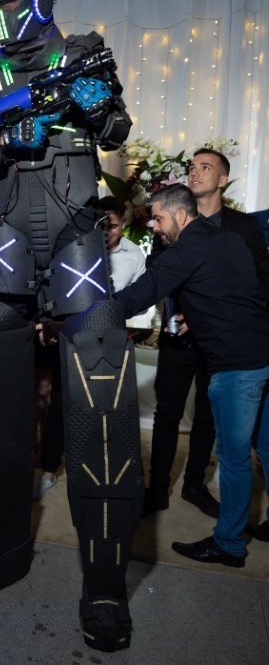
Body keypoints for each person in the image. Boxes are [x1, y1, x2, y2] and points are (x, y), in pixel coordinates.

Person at [0, 0, 143, 653]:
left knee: (100, 376)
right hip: (4, 237)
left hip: (74, 236)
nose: (1, 18)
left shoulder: (83, 52)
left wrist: (90, 104)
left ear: (39, 0)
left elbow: (116, 131)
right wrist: (9, 136)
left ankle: (104, 585)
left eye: (10, 3)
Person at [116, 183, 269, 567]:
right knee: (266, 448)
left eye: (158, 218)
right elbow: (234, 294)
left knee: (233, 459)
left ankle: (229, 544)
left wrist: (80, 314)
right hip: (263, 352)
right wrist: (197, 317)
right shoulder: (232, 241)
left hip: (236, 366)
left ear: (181, 215)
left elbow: (135, 297)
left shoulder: (183, 251)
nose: (154, 226)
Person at [144, 148, 269, 518]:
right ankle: (157, 488)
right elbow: (157, 272)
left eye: (205, 167)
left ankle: (194, 484)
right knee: (167, 410)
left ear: (223, 179)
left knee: (208, 414)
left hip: (222, 339)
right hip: (178, 333)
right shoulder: (170, 219)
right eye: (191, 167)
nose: (194, 173)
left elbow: (260, 281)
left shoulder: (243, 227)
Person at [35, 195, 146, 499]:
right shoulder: (76, 249)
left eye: (112, 226)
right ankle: (48, 470)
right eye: (100, 225)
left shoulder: (134, 255)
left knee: (108, 408)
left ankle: (102, 469)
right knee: (61, 405)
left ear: (124, 223)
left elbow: (140, 299)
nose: (106, 231)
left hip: (111, 340)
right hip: (74, 335)